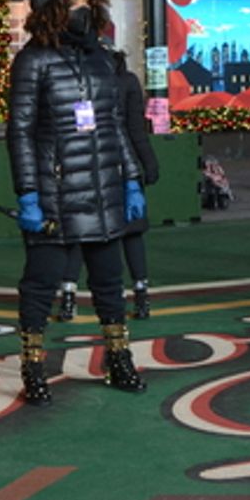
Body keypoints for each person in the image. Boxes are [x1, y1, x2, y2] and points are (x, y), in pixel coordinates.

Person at [6, 0, 146, 406]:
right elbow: (21, 133)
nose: (82, 11)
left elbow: (114, 125)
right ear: (52, 11)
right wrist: (28, 193)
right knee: (41, 283)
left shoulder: (102, 59)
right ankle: (33, 365)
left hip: (103, 189)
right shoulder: (32, 62)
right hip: (55, 193)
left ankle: (118, 357)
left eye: (86, 1)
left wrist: (131, 178)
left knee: (109, 282)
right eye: (73, 3)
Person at [55, 54, 160, 321]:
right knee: (132, 232)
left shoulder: (82, 83)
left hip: (89, 167)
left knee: (81, 233)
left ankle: (68, 296)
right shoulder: (127, 82)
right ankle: (141, 294)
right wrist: (147, 164)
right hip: (122, 168)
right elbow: (136, 130)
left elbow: (77, 129)